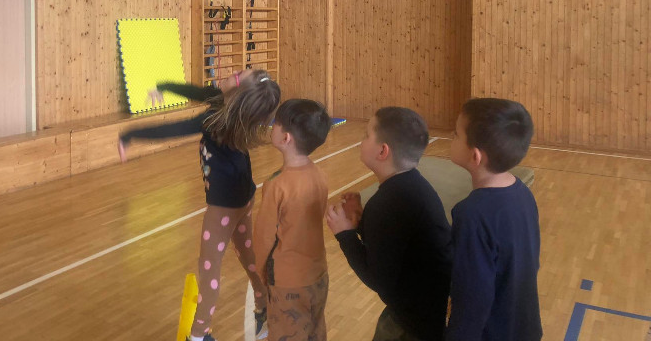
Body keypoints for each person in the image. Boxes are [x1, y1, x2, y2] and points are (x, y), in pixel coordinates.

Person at [118, 69, 280, 341]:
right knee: (247, 254)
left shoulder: (215, 120)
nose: (231, 73)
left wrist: (130, 134)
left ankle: (198, 334)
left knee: (208, 270)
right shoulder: (226, 107)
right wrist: (163, 85)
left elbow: (172, 130)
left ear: (237, 93)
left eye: (238, 75)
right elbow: (196, 91)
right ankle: (264, 306)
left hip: (225, 206)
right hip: (244, 195)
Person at [326, 107, 452, 341]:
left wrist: (345, 234)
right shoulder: (411, 185)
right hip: (422, 309)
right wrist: (360, 222)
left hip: (415, 324)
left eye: (366, 135)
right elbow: (394, 242)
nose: (361, 140)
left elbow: (378, 280)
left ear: (383, 151)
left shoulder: (388, 203)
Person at [445, 98, 541, 341]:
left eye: (456, 134)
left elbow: (473, 299)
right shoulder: (523, 193)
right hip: (524, 328)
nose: (451, 138)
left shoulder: (471, 214)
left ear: (475, 156)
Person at [253, 99, 331, 341]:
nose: (272, 126)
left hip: (287, 282)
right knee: (315, 331)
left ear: (286, 138)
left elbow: (264, 238)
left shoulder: (276, 185)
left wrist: (261, 274)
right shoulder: (320, 175)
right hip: (318, 275)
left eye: (276, 123)